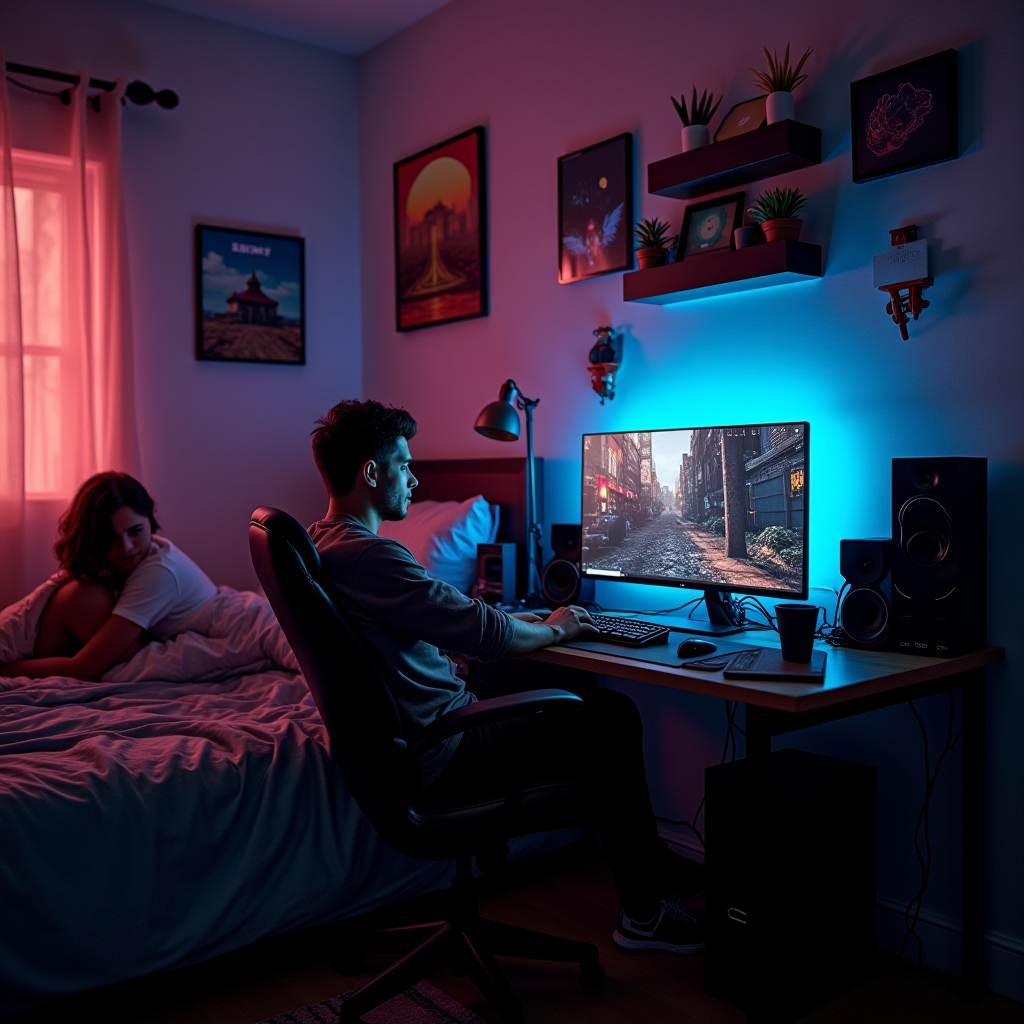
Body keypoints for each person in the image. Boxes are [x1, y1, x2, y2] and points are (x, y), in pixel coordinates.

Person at [308, 399, 705, 955]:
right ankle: (644, 912)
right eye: (404, 464)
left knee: (554, 696)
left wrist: (526, 620)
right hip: (442, 750)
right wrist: (559, 629)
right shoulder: (373, 556)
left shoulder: (320, 543)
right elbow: (490, 637)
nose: (414, 477)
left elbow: (450, 615)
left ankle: (654, 867)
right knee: (611, 715)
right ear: (371, 473)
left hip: (410, 739)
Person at [1, 472, 217, 681]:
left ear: (150, 518)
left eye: (135, 531)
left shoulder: (160, 570)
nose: (126, 547)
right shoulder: (94, 580)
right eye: (109, 537)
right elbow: (84, 668)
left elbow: (88, 665)